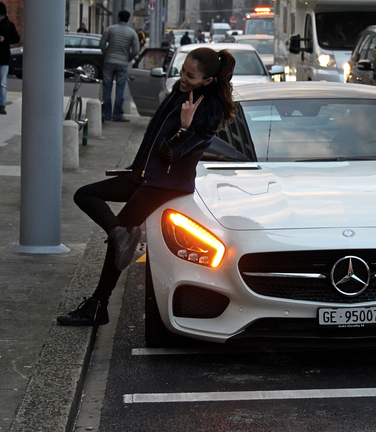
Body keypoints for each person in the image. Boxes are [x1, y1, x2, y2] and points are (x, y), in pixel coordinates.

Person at [57, 48, 237, 326]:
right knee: (86, 195)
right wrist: (135, 167)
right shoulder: (180, 91)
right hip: (145, 175)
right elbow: (153, 135)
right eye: (182, 71)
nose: (183, 78)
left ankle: (97, 306)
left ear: (209, 81)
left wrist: (186, 127)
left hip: (166, 183)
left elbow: (172, 153)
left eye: (191, 76)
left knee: (118, 242)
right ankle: (120, 233)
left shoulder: (209, 111)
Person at [99, 10, 140, 122]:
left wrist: (107, 54)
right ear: (128, 19)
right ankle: (117, 114)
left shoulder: (110, 29)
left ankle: (106, 114)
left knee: (107, 89)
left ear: (118, 18)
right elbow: (136, 50)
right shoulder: (132, 33)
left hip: (109, 61)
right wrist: (128, 58)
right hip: (122, 63)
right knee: (120, 89)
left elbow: (102, 44)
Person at [0, 1, 20, 115]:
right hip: (3, 57)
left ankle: (2, 104)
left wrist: (4, 39)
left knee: (2, 83)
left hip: (3, 58)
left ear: (2, 15)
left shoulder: (9, 25)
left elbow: (16, 38)